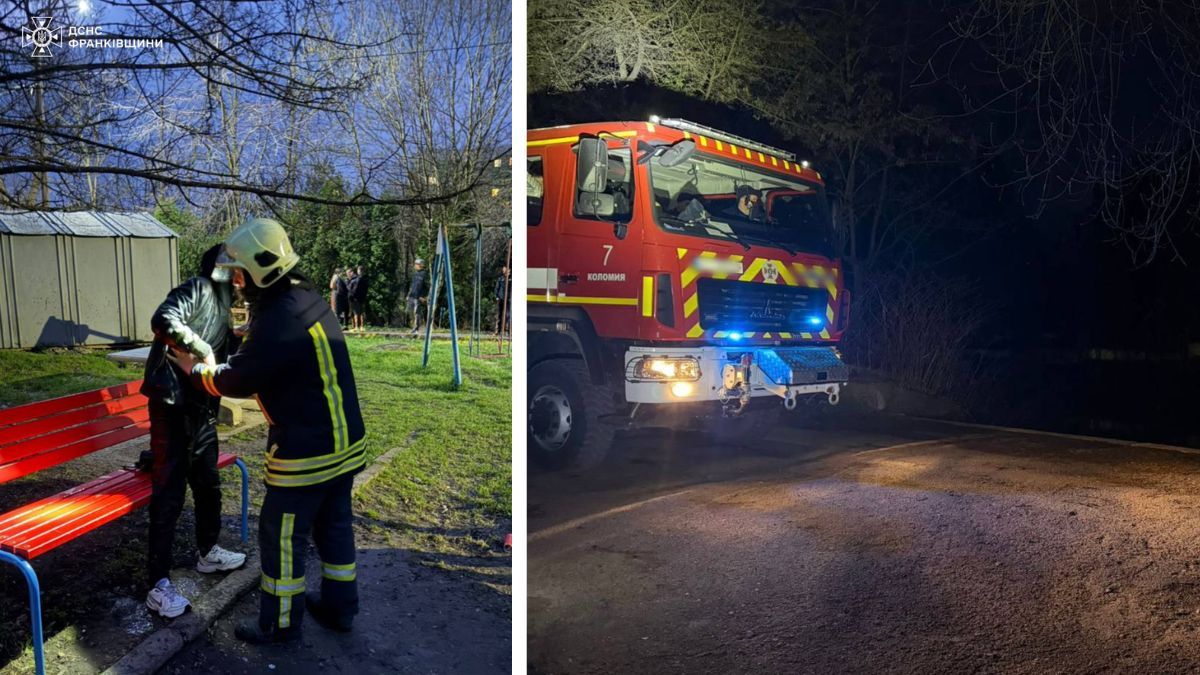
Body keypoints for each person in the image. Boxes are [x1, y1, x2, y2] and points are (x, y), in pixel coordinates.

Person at [171, 218, 366, 644]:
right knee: (334, 527)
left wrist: (195, 368)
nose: (235, 282)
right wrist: (250, 334)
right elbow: (285, 346)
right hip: (345, 444)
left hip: (307, 452)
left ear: (262, 271)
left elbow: (234, 381)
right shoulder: (304, 299)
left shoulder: (276, 322)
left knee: (281, 535)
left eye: (239, 274)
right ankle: (340, 608)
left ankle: (279, 624)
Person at [141, 244, 247, 619]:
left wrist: (238, 336)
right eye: (237, 268)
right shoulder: (198, 287)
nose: (242, 276)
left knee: (207, 482)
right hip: (172, 406)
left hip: (201, 407)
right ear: (222, 269)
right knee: (169, 493)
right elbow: (163, 319)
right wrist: (203, 350)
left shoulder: (221, 302)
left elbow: (222, 347)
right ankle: (157, 585)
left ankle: (208, 552)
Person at [407, 258, 429, 336]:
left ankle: (416, 329)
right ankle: (413, 327)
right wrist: (408, 295)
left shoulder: (424, 274)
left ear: (421, 265)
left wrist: (424, 296)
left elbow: (427, 286)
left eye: (416, 264)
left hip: (418, 297)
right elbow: (412, 285)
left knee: (416, 313)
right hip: (411, 296)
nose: (415, 265)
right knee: (411, 313)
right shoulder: (414, 274)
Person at [349, 265, 368, 332]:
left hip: (355, 298)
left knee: (356, 313)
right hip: (362, 298)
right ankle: (362, 326)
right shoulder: (365, 279)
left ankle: (356, 326)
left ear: (358, 271)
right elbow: (366, 289)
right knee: (361, 312)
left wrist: (351, 296)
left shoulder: (355, 280)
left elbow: (353, 290)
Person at [494, 265, 511, 335]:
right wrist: (497, 296)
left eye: (505, 269)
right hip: (501, 298)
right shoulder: (500, 279)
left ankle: (507, 330)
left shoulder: (511, 279)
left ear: (509, 270)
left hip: (508, 299)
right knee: (500, 315)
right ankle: (499, 331)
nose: (504, 271)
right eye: (503, 270)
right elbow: (496, 288)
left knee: (508, 315)